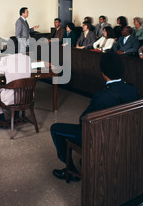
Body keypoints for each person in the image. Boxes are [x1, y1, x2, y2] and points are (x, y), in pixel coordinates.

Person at [50, 52, 138, 182]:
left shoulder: (102, 96)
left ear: (103, 72)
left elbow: (83, 120)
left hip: (101, 138)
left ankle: (71, 170)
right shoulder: (132, 89)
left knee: (55, 129)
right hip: (123, 135)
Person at [0, 53, 31, 124]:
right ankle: (16, 116)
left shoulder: (5, 60)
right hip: (27, 97)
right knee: (18, 89)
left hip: (11, 98)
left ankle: (1, 119)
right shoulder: (27, 58)